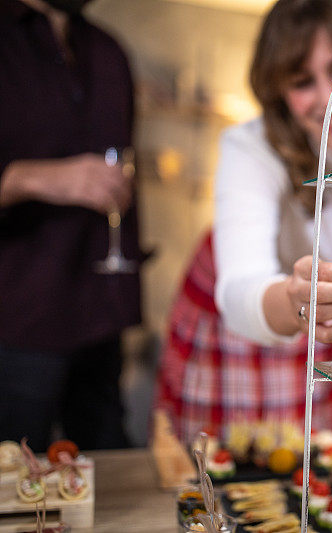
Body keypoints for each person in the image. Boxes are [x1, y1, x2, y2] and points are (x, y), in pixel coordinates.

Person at [156, 0, 332, 441]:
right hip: (238, 331)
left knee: (313, 471)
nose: (330, 97)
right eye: (303, 81)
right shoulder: (251, 147)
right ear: (278, 93)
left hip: (321, 331)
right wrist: (300, 301)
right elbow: (240, 289)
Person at [0, 0, 141, 451]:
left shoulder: (108, 51)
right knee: (18, 483)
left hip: (99, 312)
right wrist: (38, 177)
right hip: (18, 318)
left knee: (109, 484)